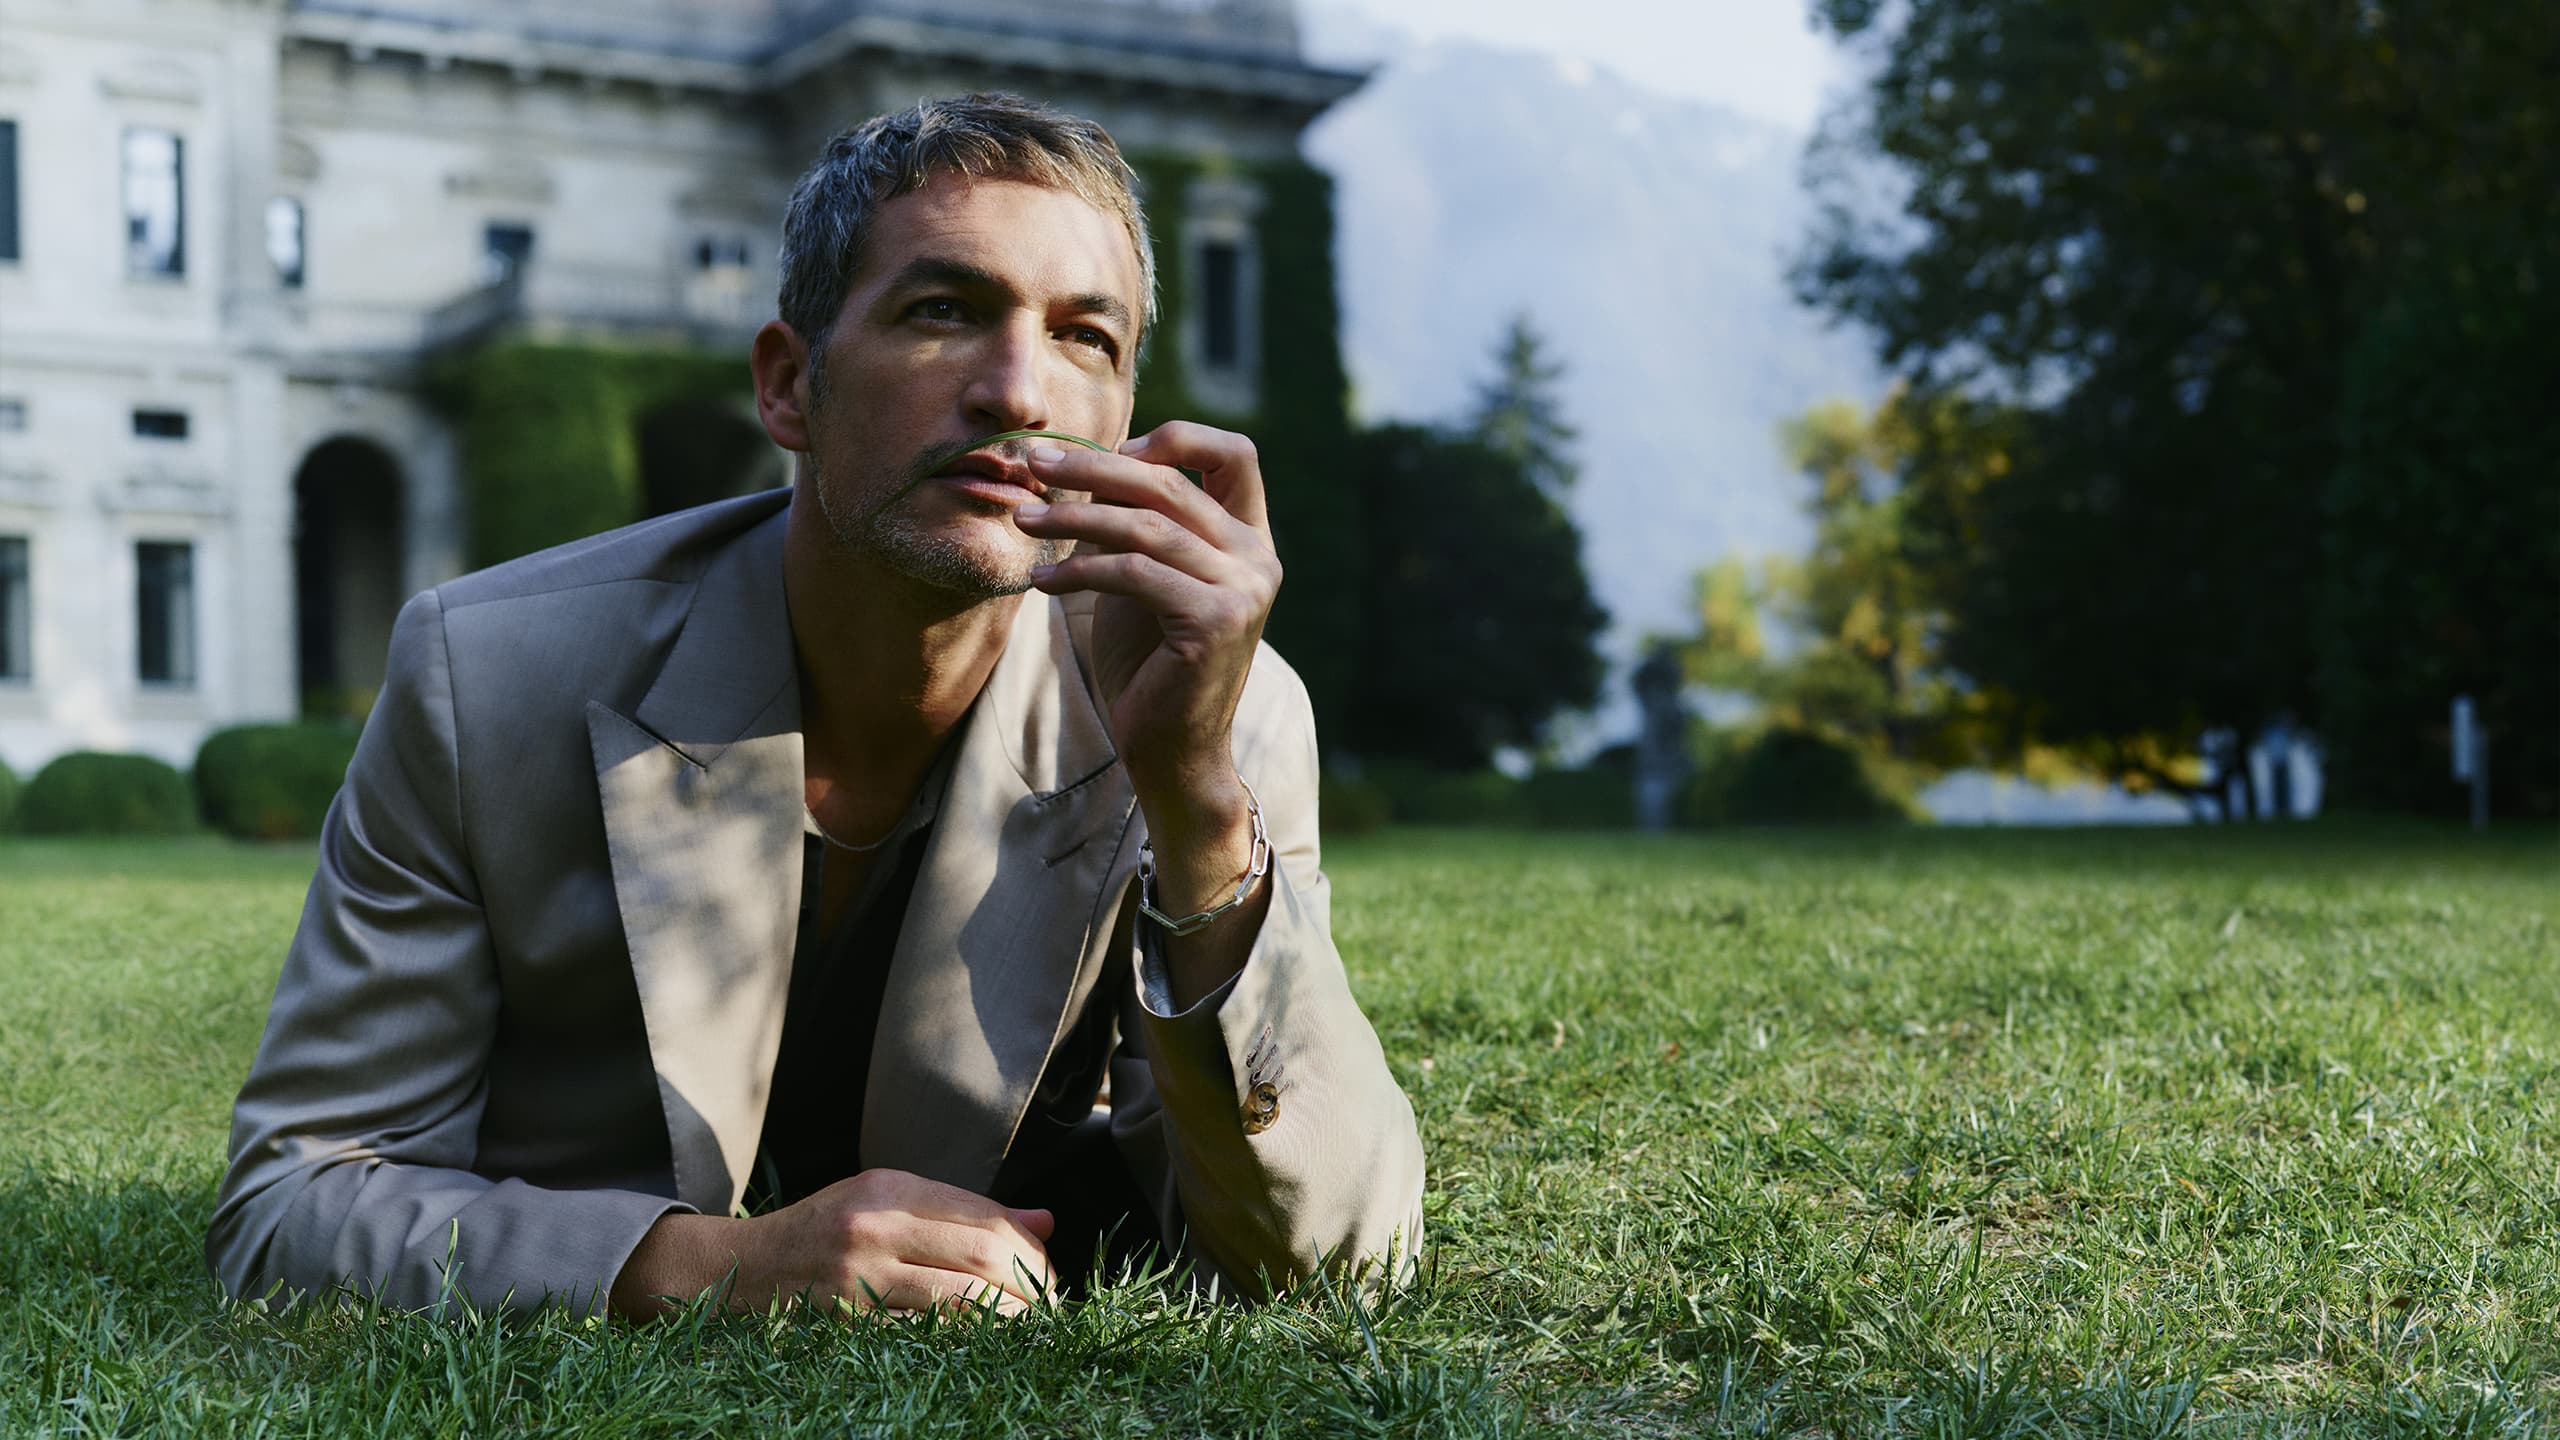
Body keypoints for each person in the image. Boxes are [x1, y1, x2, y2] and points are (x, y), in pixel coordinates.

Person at [205, 93, 1425, 1320]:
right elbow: (289, 1205)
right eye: (943, 312)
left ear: (1126, 425)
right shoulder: (488, 673)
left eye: (1084, 339)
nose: (1018, 391)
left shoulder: (1216, 706)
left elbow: (1338, 1262)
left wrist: (1200, 808)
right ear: (789, 386)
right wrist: (704, 1268)